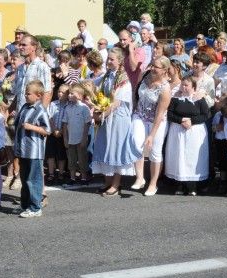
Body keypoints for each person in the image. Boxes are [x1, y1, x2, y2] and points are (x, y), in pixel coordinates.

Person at [90, 49, 141, 195]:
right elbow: (95, 88)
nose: (109, 62)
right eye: (108, 59)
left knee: (116, 148)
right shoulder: (107, 76)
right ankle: (107, 181)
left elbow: (116, 103)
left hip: (118, 118)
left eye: (112, 59)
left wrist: (101, 115)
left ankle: (116, 184)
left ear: (119, 61)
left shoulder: (123, 79)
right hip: (107, 117)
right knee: (105, 146)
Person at [163, 75, 211, 195]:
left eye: (186, 85)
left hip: (195, 133)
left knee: (192, 157)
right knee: (178, 156)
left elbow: (206, 115)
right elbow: (169, 114)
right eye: (182, 85)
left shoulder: (199, 99)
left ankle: (192, 186)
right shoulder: (176, 99)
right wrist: (181, 120)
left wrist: (192, 121)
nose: (183, 87)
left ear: (193, 87)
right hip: (178, 132)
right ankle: (179, 185)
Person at [132, 56, 173, 195]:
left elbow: (160, 114)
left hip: (156, 121)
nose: (153, 69)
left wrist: (151, 135)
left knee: (155, 152)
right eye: (152, 65)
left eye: (156, 67)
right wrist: (134, 109)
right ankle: (140, 178)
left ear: (165, 70)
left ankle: (153, 184)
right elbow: (135, 91)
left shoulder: (165, 88)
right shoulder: (145, 75)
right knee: (136, 144)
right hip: (140, 115)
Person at [12, 80, 50, 218]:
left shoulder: (40, 110)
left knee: (33, 180)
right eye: (25, 93)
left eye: (28, 94)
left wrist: (32, 127)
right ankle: (25, 205)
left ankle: (35, 207)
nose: (26, 96)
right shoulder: (24, 107)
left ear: (38, 95)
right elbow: (17, 123)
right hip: (23, 149)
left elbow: (47, 130)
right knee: (24, 178)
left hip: (34, 151)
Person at [61, 84, 93, 185]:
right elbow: (65, 124)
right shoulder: (67, 108)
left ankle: (83, 177)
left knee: (82, 158)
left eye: (72, 94)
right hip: (71, 138)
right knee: (71, 158)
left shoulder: (84, 108)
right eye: (69, 94)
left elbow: (87, 124)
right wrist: (65, 138)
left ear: (79, 95)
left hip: (81, 138)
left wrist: (84, 138)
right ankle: (72, 177)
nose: (69, 96)